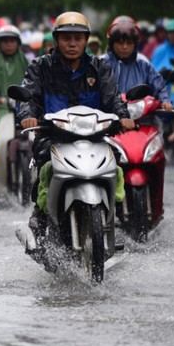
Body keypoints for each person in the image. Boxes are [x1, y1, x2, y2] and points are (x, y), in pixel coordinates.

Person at [17, 12, 135, 233]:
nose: (72, 43)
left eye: (78, 38)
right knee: (47, 167)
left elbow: (113, 98)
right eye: (66, 38)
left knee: (116, 163)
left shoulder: (99, 68)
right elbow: (27, 97)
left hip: (95, 135)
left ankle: (115, 215)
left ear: (86, 40)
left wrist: (123, 116)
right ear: (56, 40)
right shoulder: (40, 67)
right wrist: (26, 116)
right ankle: (40, 215)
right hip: (53, 136)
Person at [101, 17, 172, 110]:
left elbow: (158, 84)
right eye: (120, 42)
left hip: (140, 116)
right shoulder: (101, 63)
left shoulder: (143, 63)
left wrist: (165, 100)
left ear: (135, 44)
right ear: (112, 43)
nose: (125, 47)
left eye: (129, 43)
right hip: (109, 116)